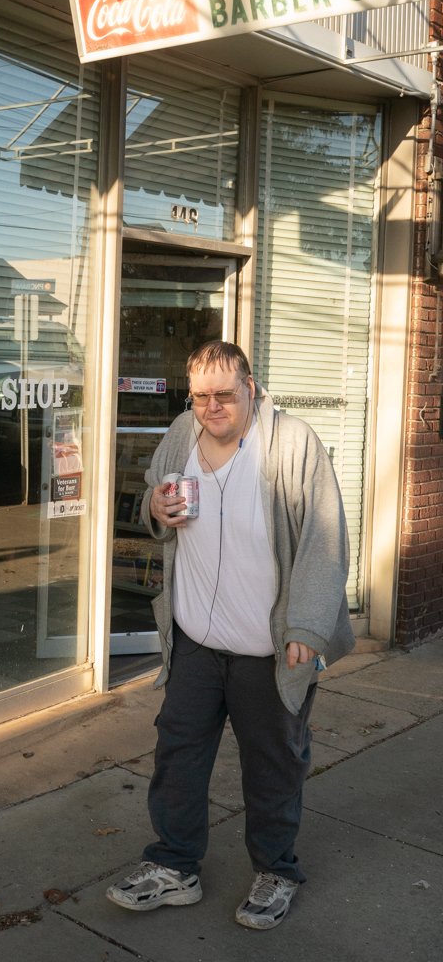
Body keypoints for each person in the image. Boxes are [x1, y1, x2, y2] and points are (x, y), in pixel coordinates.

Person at [106, 340, 353, 930]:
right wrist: (155, 510)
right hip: (194, 639)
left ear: (250, 386)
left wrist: (308, 627)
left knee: (273, 763)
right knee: (178, 753)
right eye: (199, 397)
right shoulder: (181, 434)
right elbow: (152, 499)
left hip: (266, 648)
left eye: (223, 394)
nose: (211, 407)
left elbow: (325, 539)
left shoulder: (291, 444)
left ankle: (276, 869)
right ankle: (175, 866)